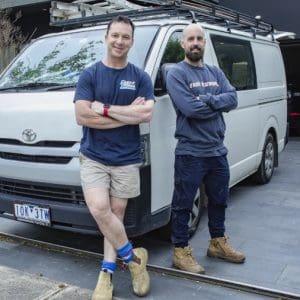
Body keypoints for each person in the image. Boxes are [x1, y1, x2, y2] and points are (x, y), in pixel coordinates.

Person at [74, 15, 154, 300]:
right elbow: (83, 116)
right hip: (94, 156)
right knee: (99, 209)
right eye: (115, 35)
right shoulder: (90, 75)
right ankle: (134, 261)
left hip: (126, 158)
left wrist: (105, 110)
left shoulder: (140, 77)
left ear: (132, 41)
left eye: (126, 37)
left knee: (116, 217)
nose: (120, 41)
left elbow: (145, 115)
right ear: (106, 37)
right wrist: (125, 114)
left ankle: (106, 273)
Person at [166, 23, 245, 274]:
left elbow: (232, 98)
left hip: (217, 150)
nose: (195, 43)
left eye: (199, 38)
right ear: (183, 43)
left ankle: (217, 243)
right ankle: (180, 251)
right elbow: (190, 109)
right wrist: (216, 103)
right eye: (191, 39)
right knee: (183, 203)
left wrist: (208, 100)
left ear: (205, 42)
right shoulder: (176, 73)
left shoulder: (215, 71)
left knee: (220, 199)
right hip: (190, 151)